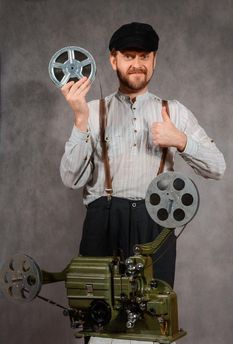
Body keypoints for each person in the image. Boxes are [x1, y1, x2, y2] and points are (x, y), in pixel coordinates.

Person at [59, 22, 226, 288]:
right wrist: (80, 119)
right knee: (98, 312)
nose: (137, 64)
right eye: (128, 56)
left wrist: (181, 141)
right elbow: (70, 179)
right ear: (113, 60)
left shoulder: (175, 111)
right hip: (104, 220)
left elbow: (218, 167)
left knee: (153, 314)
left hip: (154, 223)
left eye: (144, 56)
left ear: (154, 60)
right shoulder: (90, 111)